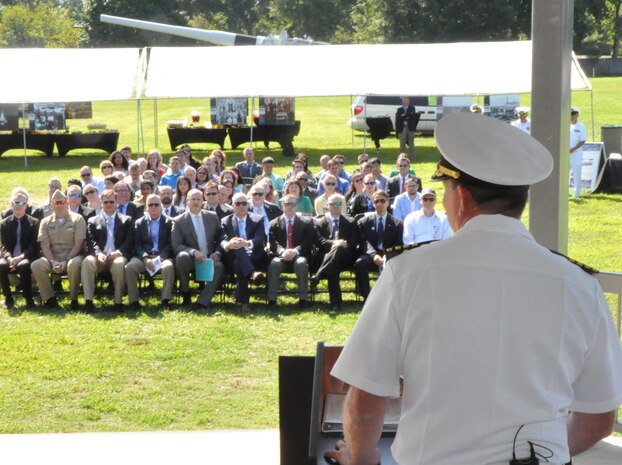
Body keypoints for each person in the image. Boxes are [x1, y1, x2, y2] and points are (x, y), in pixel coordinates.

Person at [326, 112, 622, 465]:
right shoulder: (579, 285)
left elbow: (365, 400)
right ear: (520, 200)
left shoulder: (408, 273)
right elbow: (597, 419)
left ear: (461, 196)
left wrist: (360, 458)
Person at [31, 190, 86, 310]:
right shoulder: (45, 222)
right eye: (56, 203)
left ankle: (73, 299)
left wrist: (66, 260)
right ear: (52, 205)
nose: (59, 205)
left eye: (62, 202)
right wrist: (52, 262)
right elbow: (45, 246)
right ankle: (49, 299)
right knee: (36, 265)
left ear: (66, 202)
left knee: (74, 265)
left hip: (73, 256)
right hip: (53, 258)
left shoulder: (78, 219)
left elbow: (78, 244)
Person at [81, 189, 134, 312]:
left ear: (116, 202)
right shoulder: (92, 221)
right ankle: (88, 301)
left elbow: (129, 241)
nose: (109, 204)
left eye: (111, 202)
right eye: (106, 202)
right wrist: (98, 254)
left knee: (119, 263)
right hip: (99, 257)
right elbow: (91, 241)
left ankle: (118, 301)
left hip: (117, 255)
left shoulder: (127, 220)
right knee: (87, 262)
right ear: (101, 203)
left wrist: (118, 252)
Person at [171, 189, 224, 309]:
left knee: (219, 267)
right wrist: (193, 252)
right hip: (191, 259)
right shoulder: (178, 221)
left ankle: (202, 301)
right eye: (193, 199)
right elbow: (176, 245)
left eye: (198, 199)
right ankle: (186, 293)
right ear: (187, 201)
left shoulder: (212, 216)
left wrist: (217, 252)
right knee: (181, 257)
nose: (195, 202)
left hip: (209, 258)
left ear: (203, 201)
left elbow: (221, 238)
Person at [125, 194, 175, 310]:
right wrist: (145, 258)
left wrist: (161, 258)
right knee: (130, 267)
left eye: (156, 204)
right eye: (150, 205)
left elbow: (170, 244)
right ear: (146, 207)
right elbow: (136, 245)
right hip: (144, 257)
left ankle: (165, 300)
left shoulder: (169, 222)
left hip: (163, 257)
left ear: (161, 206)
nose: (153, 207)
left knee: (168, 267)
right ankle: (134, 301)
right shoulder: (139, 223)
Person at [311, 193, 360, 310]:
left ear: (342, 205)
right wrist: (334, 243)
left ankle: (319, 275)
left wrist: (344, 244)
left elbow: (355, 240)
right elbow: (319, 242)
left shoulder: (350, 221)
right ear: (327, 205)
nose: (336, 206)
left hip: (346, 257)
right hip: (325, 256)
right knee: (333, 265)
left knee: (337, 252)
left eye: (338, 203)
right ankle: (335, 303)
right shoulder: (319, 222)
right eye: (333, 203)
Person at [220, 192, 267, 312]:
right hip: (232, 255)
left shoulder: (258, 219)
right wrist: (229, 245)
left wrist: (246, 243)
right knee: (237, 249)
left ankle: (244, 302)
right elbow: (222, 240)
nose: (241, 206)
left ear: (248, 205)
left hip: (254, 256)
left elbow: (259, 239)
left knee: (238, 263)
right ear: (233, 205)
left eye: (244, 203)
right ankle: (252, 274)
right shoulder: (225, 221)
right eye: (238, 203)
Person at [267, 193, 315, 308]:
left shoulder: (307, 222)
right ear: (282, 206)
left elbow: (308, 242)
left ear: (296, 206)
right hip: (281, 257)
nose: (290, 207)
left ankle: (303, 299)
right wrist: (282, 251)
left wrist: (295, 251)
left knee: (301, 263)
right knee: (274, 263)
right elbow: (273, 243)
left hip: (299, 256)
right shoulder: (273, 223)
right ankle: (272, 300)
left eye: (292, 204)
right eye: (287, 204)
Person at [354, 190, 403, 301]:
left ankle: (393, 296)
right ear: (373, 204)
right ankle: (367, 296)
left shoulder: (397, 223)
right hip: (371, 255)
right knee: (360, 263)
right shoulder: (363, 222)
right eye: (376, 201)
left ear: (388, 203)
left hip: (390, 254)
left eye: (382, 201)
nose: (379, 204)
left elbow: (399, 242)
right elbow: (363, 242)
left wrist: (388, 254)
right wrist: (373, 255)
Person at [0, 189, 39, 308]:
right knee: (1, 265)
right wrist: (9, 258)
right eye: (15, 203)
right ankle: (8, 298)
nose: (18, 206)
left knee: (23, 265)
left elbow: (34, 245)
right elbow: (3, 245)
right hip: (9, 256)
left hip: (27, 256)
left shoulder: (34, 222)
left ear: (26, 205)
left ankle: (28, 298)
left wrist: (21, 257)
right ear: (11, 205)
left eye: (21, 203)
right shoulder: (3, 223)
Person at [570, 107, 588, 198]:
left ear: (577, 115)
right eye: (570, 114)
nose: (571, 116)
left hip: (576, 153)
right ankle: (564, 191)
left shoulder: (581, 126)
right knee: (564, 174)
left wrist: (574, 148)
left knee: (577, 173)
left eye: (573, 114)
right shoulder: (565, 125)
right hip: (565, 154)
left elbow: (583, 140)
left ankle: (576, 193)